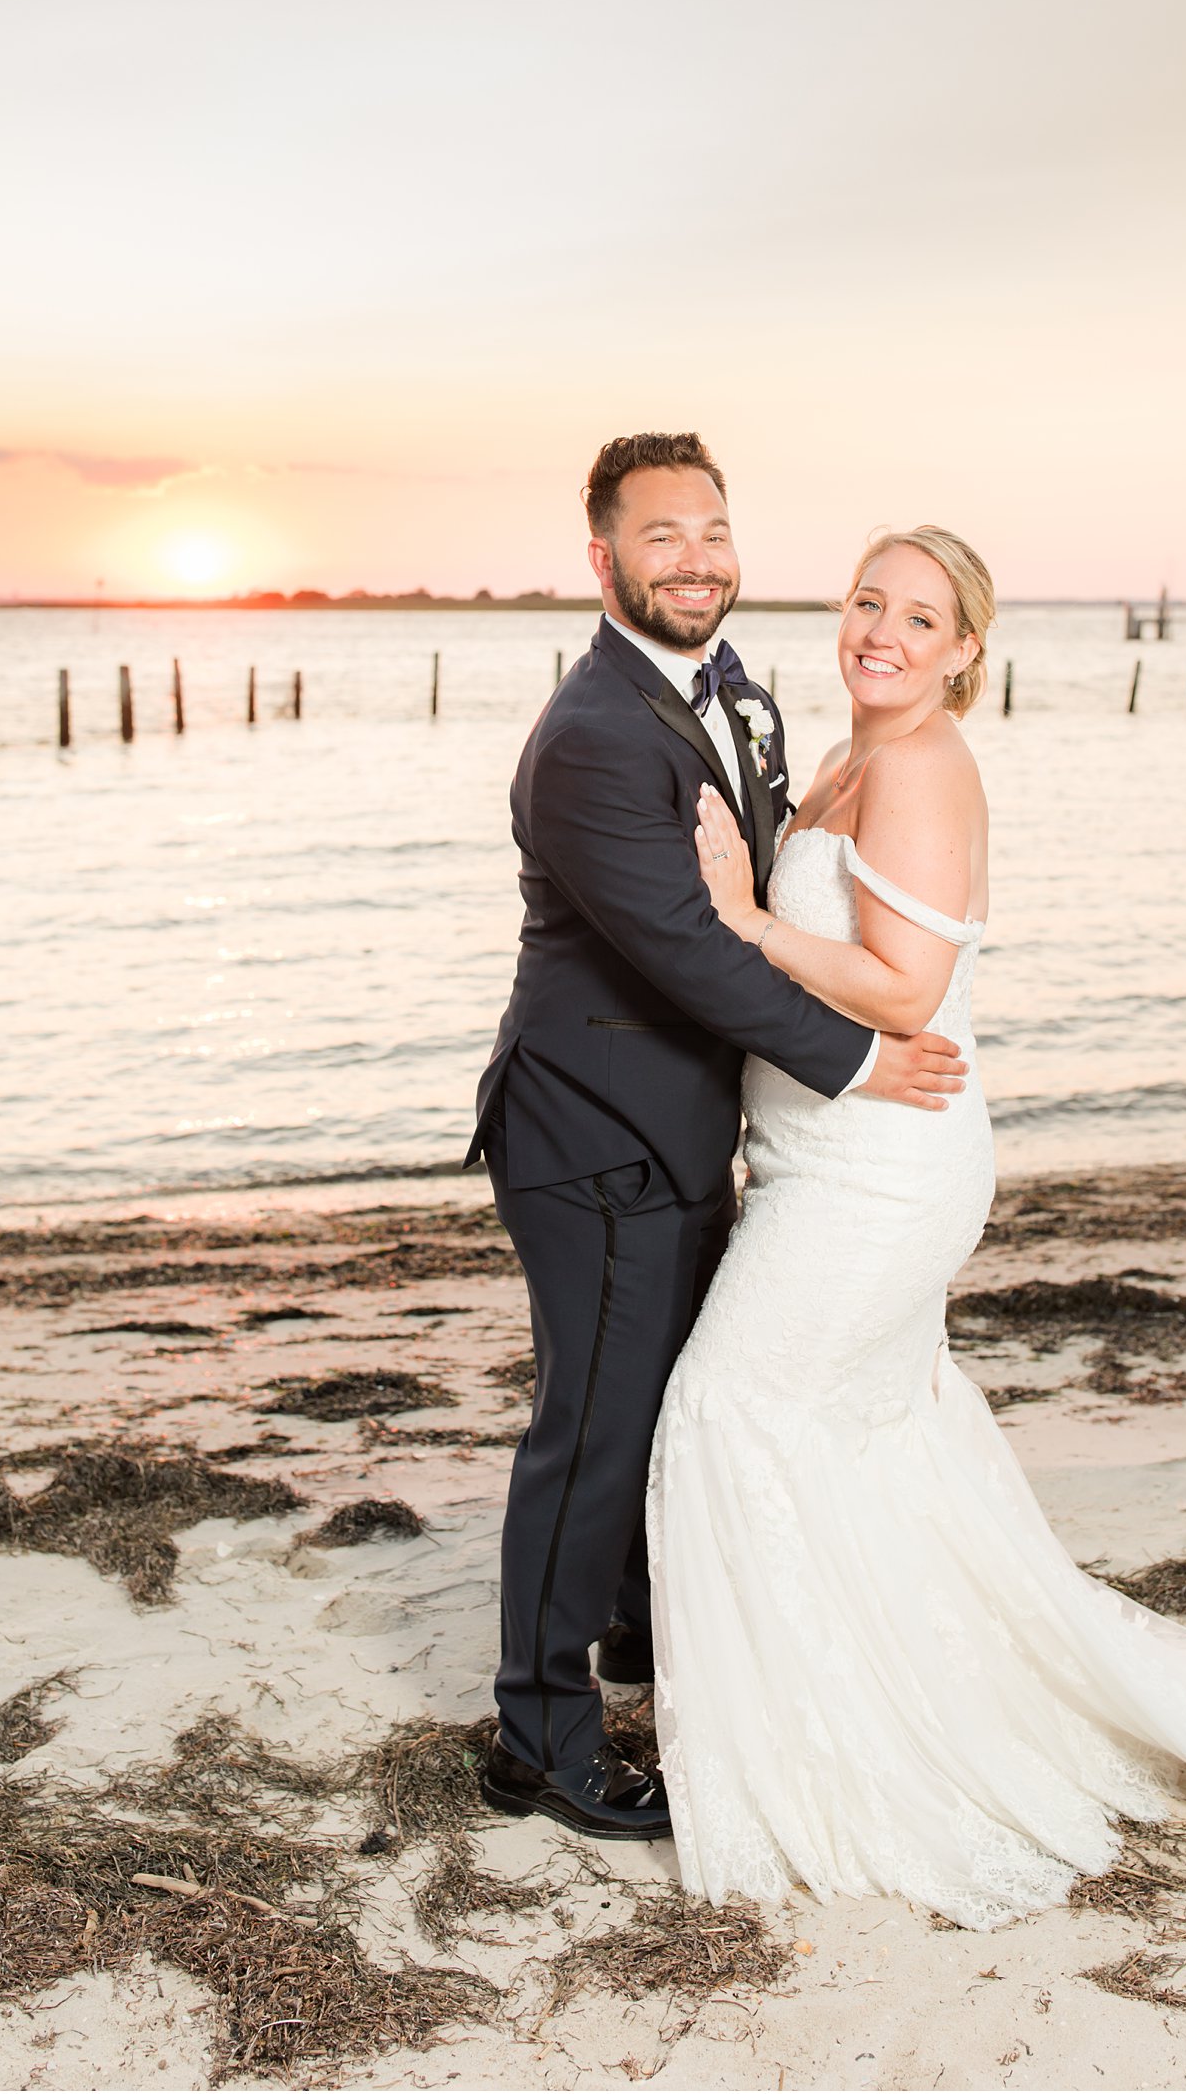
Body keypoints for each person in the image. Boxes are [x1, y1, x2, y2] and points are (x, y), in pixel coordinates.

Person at [649, 522, 1186, 1929]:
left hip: (878, 1169)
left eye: (921, 617)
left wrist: (742, 915)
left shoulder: (921, 766)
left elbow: (906, 992)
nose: (883, 632)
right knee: (868, 1440)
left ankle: (829, 1752)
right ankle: (880, 1697)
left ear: (967, 649)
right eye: (868, 601)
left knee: (729, 1411)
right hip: (822, 1155)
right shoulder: (852, 755)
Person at [464, 434, 969, 1842]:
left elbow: (750, 895)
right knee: (594, 1427)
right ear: (603, 560)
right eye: (661, 534)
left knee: (652, 1406)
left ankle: (630, 1637)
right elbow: (692, 946)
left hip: (680, 1130)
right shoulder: (591, 737)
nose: (695, 557)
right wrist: (864, 1060)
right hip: (597, 1131)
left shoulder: (716, 689)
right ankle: (541, 1740)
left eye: (714, 529)